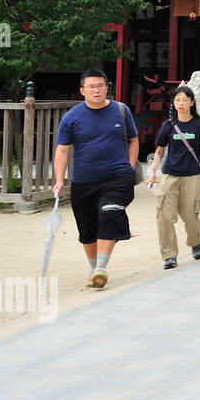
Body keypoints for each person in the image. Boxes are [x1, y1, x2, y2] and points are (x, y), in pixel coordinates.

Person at [52, 69, 140, 289]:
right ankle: (94, 270)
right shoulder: (72, 117)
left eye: (100, 85)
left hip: (117, 176)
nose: (97, 90)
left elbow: (133, 140)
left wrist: (129, 168)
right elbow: (62, 150)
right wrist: (59, 180)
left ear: (107, 87)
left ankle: (101, 267)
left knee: (109, 213)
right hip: (84, 180)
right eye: (91, 86)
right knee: (87, 229)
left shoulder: (121, 110)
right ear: (82, 91)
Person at [147, 85, 200, 269]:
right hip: (169, 176)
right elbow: (159, 151)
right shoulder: (168, 126)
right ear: (173, 103)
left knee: (190, 216)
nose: (181, 103)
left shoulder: (199, 125)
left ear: (192, 102)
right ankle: (169, 254)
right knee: (164, 216)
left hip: (192, 176)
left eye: (185, 100)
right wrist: (152, 173)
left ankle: (195, 241)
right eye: (177, 100)